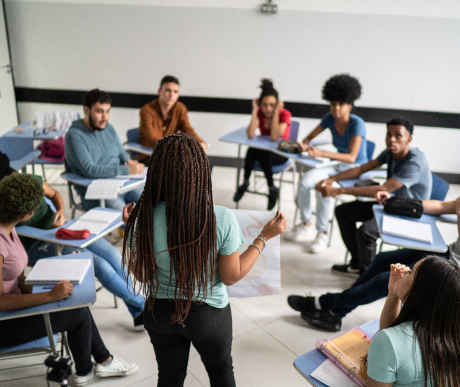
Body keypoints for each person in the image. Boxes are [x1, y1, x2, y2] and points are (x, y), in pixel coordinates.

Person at [121, 134, 287, 387]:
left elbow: (142, 276)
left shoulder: (140, 218)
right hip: (207, 317)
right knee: (221, 373)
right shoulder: (220, 217)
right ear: (199, 172)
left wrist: (131, 228)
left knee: (169, 377)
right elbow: (231, 276)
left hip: (159, 313)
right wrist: (264, 237)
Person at [0, 174, 138, 386]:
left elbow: (15, 274)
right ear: (25, 214)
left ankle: (98, 364)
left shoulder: (9, 228)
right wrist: (48, 295)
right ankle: (93, 367)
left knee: (73, 300)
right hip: (6, 324)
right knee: (78, 312)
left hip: (15, 306)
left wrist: (38, 289)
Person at [0, 152, 146, 330]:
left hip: (62, 230)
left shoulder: (31, 182)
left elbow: (55, 194)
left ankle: (139, 312)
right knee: (99, 265)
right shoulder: (8, 210)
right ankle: (146, 307)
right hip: (37, 242)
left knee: (113, 255)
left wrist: (60, 211)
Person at [287, 191, 459, 332]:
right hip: (445, 253)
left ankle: (325, 304)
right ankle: (335, 312)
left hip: (453, 273)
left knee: (386, 280)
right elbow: (443, 206)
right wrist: (397, 201)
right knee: (382, 260)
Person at [316, 117, 431, 273]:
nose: (392, 139)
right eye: (388, 134)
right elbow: (360, 169)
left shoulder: (414, 162)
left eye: (398, 135)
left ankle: (367, 275)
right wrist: (331, 179)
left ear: (408, 139)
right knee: (343, 212)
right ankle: (358, 263)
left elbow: (383, 188)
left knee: (366, 233)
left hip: (408, 211)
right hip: (391, 203)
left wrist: (339, 190)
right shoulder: (390, 152)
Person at [284, 74, 368, 253]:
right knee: (306, 181)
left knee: (323, 187)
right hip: (337, 164)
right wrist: (304, 145)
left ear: (349, 105)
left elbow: (352, 157)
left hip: (355, 169)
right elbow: (309, 137)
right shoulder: (329, 118)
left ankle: (322, 232)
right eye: (333, 104)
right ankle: (306, 223)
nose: (336, 108)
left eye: (340, 104)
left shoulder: (357, 123)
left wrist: (321, 153)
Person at [366, 256, 460, 386]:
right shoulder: (448, 332)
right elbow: (392, 337)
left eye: (411, 272)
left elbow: (390, 343)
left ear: (420, 290)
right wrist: (394, 292)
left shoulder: (387, 341)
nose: (404, 272)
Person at [65, 88, 145, 211]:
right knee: (129, 219)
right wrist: (127, 169)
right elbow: (90, 170)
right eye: (99, 111)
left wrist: (129, 161)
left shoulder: (108, 128)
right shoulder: (74, 136)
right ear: (86, 110)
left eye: (107, 111)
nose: (105, 117)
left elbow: (121, 152)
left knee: (152, 205)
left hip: (120, 183)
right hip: (95, 192)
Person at [233, 79, 292, 210]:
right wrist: (254, 110)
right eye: (264, 105)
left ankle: (270, 188)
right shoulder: (260, 112)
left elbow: (274, 137)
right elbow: (250, 134)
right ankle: (249, 183)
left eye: (272, 105)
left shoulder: (284, 114)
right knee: (252, 150)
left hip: (281, 154)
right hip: (264, 153)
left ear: (277, 104)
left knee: (260, 152)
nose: (268, 109)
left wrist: (276, 113)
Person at [138, 75, 207, 164]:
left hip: (171, 155)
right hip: (151, 156)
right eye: (168, 90)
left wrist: (200, 143)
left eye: (175, 92)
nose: (171, 94)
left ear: (178, 94)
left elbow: (188, 130)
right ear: (159, 91)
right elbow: (152, 138)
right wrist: (176, 149)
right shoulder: (147, 110)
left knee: (202, 164)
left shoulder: (179, 108)